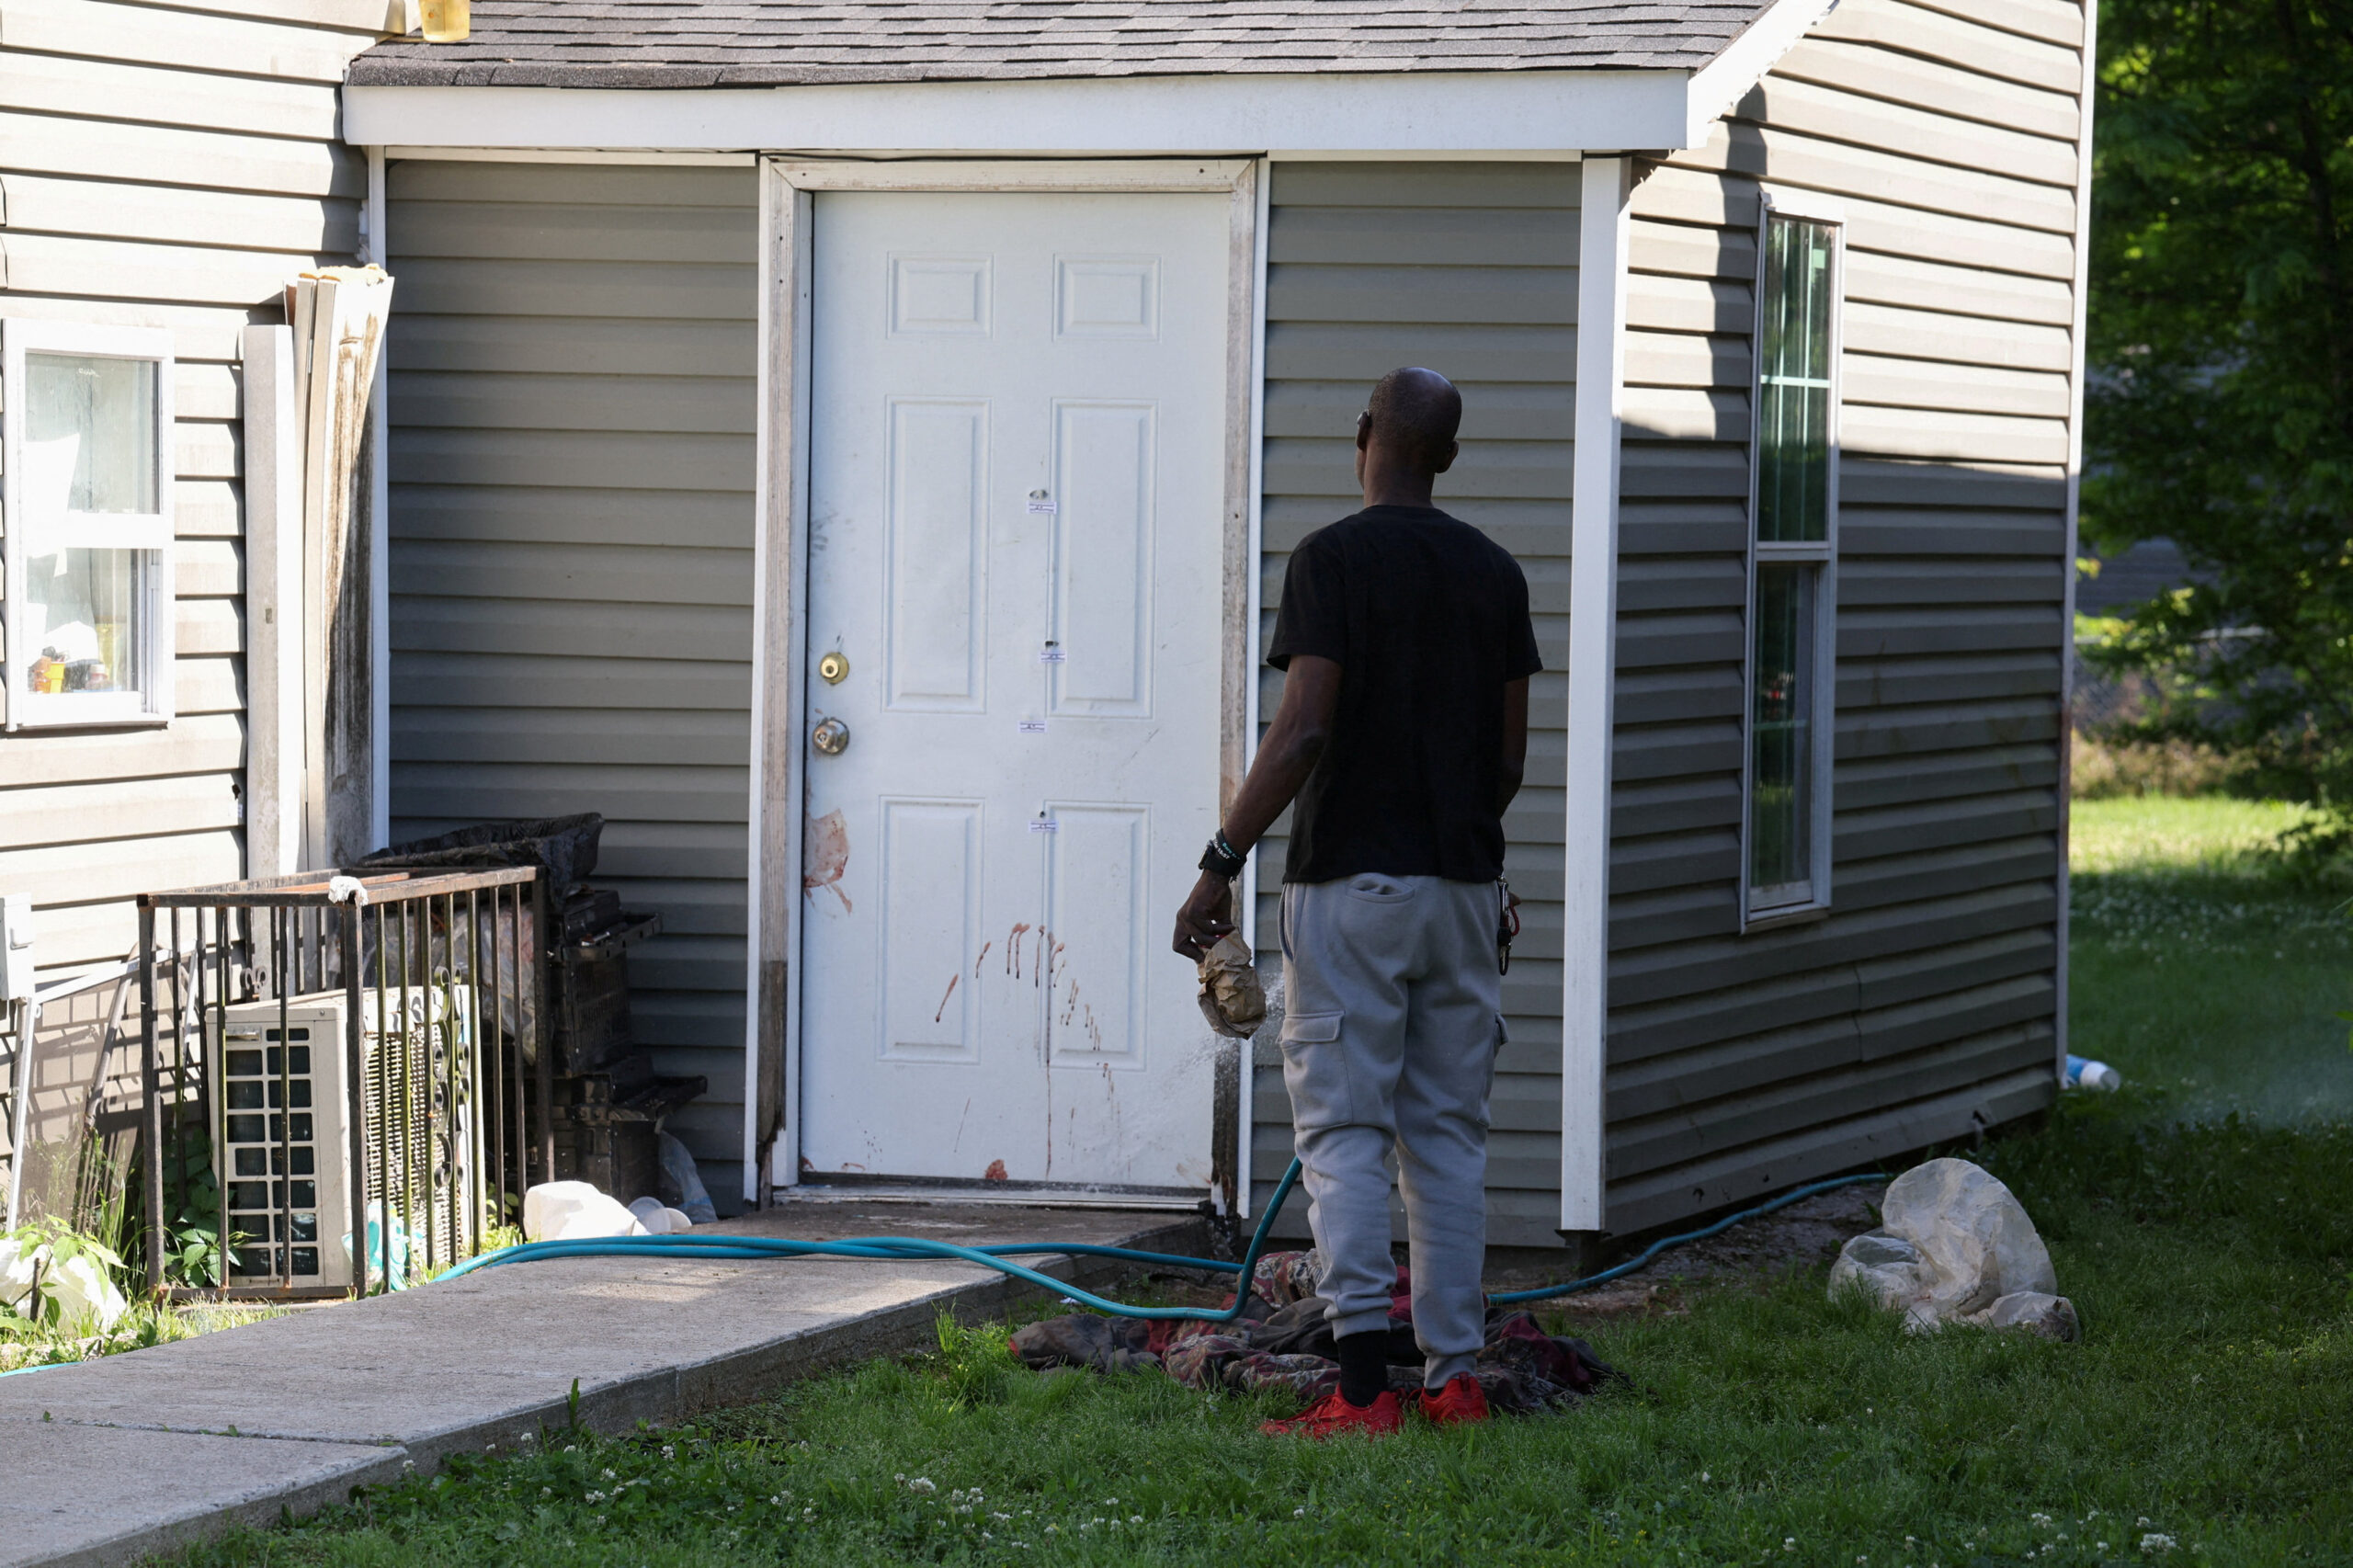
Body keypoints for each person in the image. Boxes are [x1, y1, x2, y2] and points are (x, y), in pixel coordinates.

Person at [1172, 367, 1539, 1437]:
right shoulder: (1497, 573)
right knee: (1448, 1135)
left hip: (1351, 892)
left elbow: (1304, 728)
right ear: (1449, 457)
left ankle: (1365, 1391)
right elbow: (1507, 759)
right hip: (1467, 893)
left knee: (1341, 1133)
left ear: (1365, 435)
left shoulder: (1331, 558)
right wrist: (1460, 840)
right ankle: (1457, 1377)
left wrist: (1219, 858)